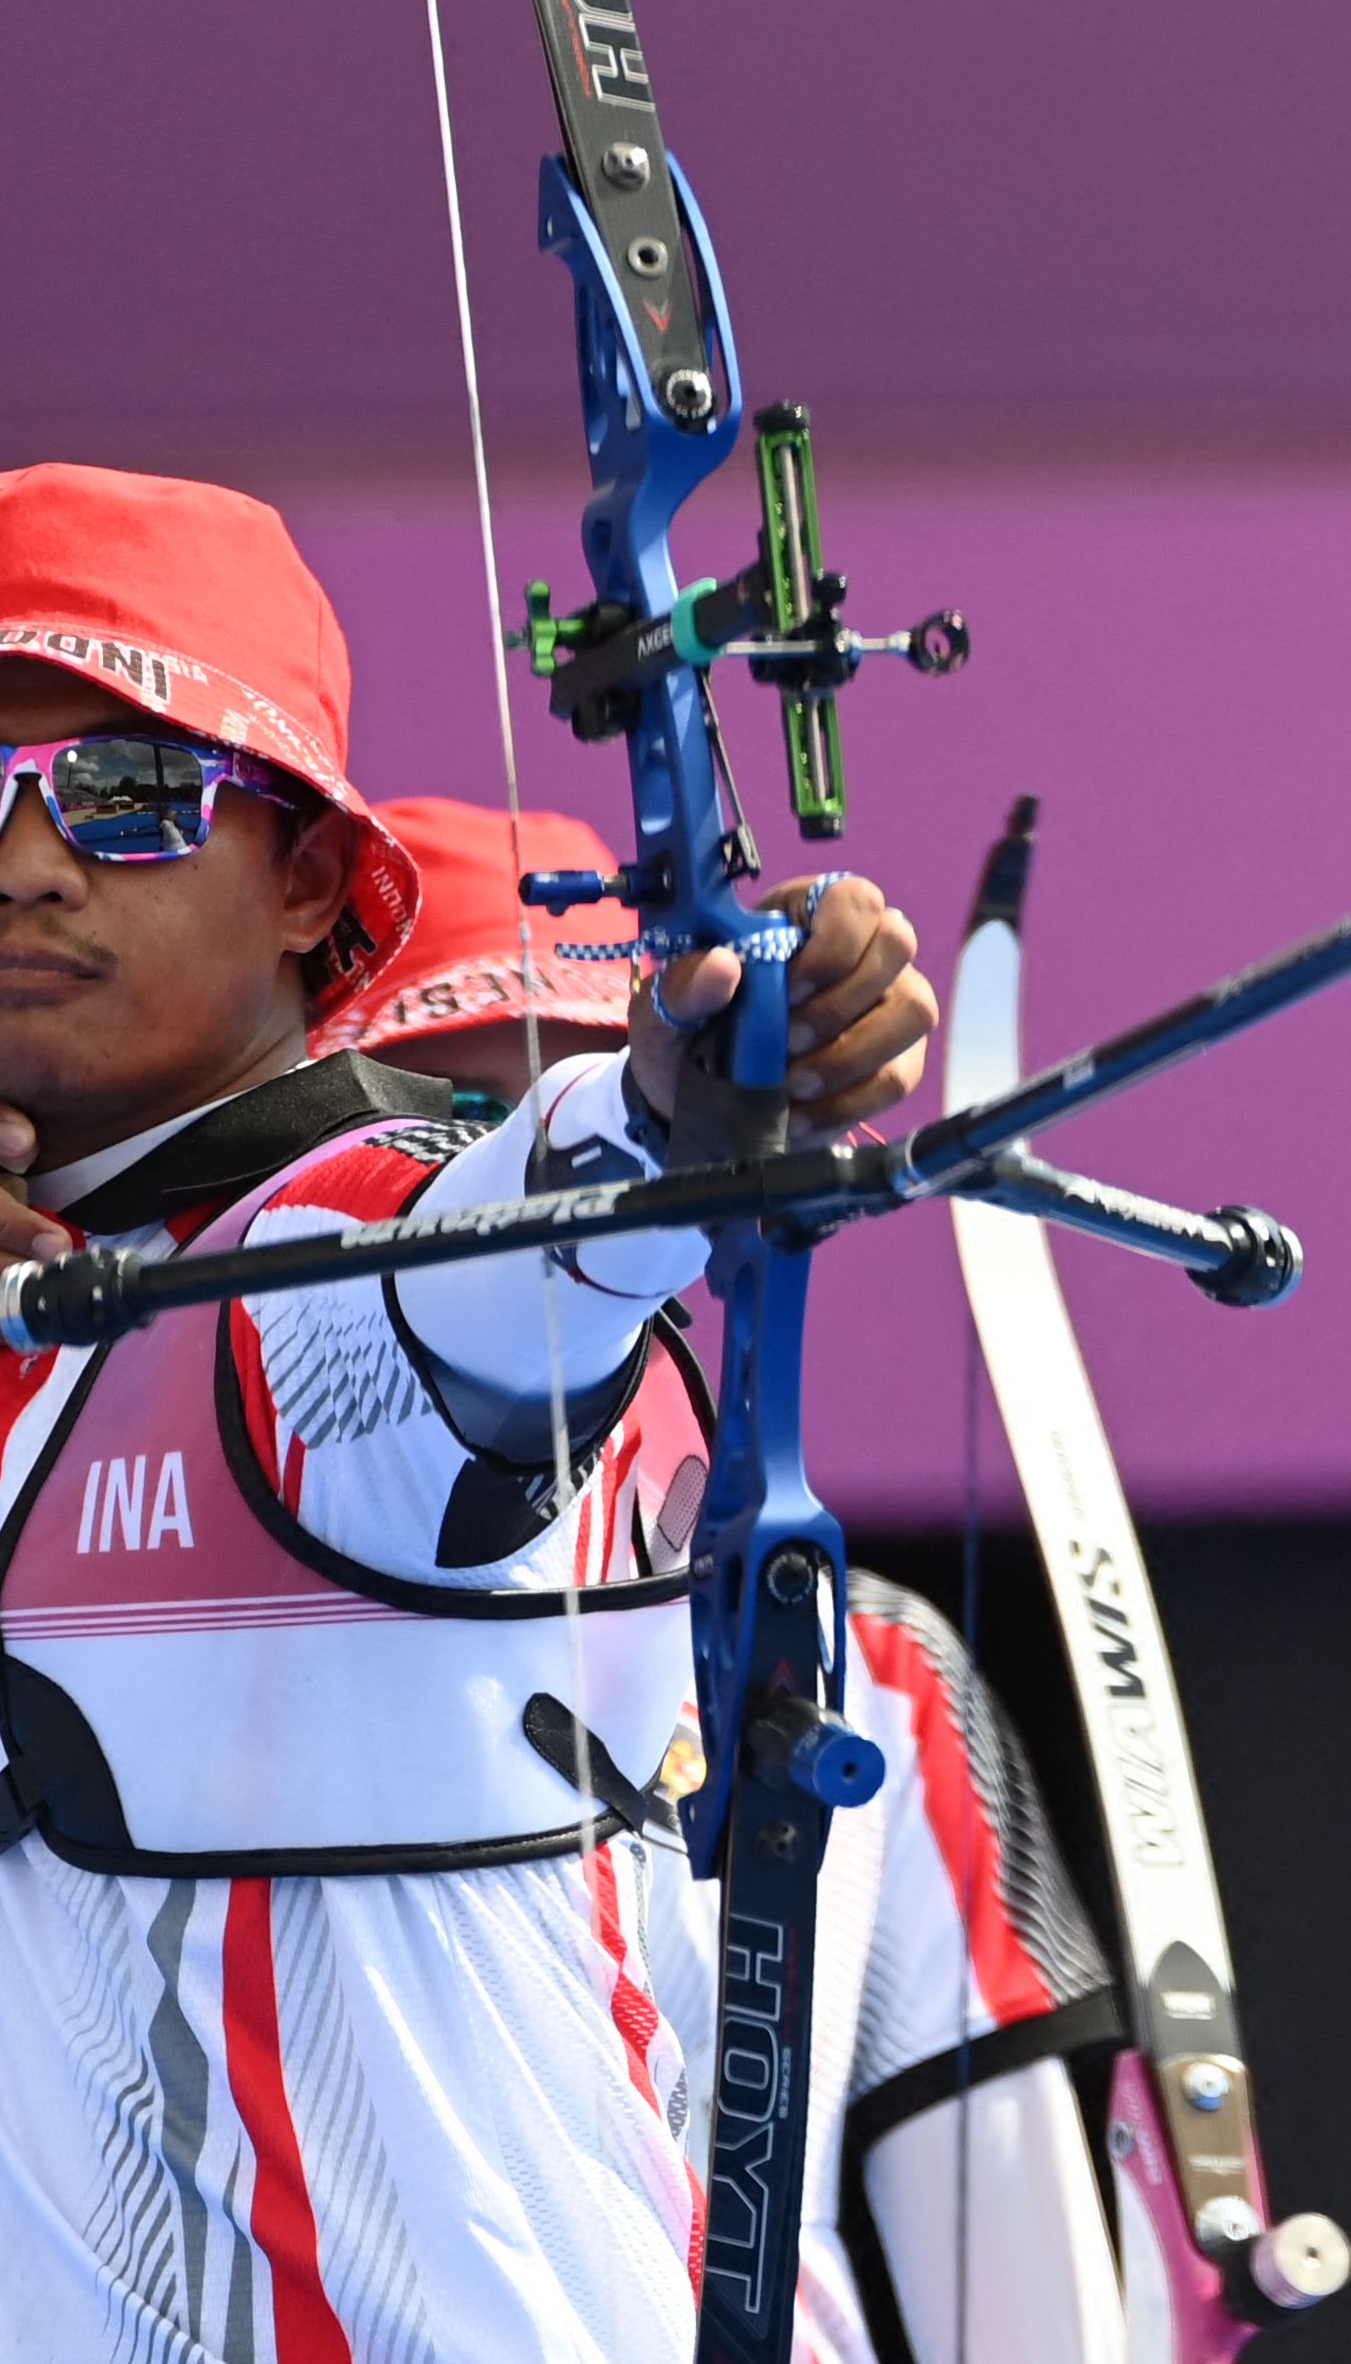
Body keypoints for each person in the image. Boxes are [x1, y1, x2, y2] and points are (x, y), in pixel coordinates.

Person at [0, 467, 1091, 2363]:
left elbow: (517, 1240)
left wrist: (679, 1097)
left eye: (129, 791)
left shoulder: (333, 1271)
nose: (26, 864)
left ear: (302, 880)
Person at [318, 794, 1131, 2360]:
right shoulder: (182, 1646)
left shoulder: (860, 1664)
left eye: (631, 1127)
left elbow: (1029, 2311)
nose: (556, 1199)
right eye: (465, 1130)